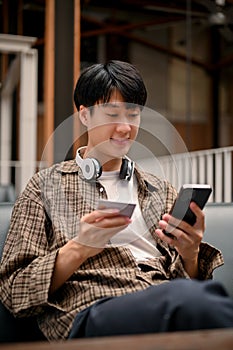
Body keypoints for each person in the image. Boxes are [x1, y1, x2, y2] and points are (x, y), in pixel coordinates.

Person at [0, 60, 233, 341]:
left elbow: (193, 284)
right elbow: (13, 291)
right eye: (112, 114)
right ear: (84, 115)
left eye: (133, 115)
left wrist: (190, 253)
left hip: (165, 305)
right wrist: (79, 248)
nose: (125, 128)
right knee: (187, 299)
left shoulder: (160, 190)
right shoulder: (44, 187)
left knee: (192, 300)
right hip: (92, 309)